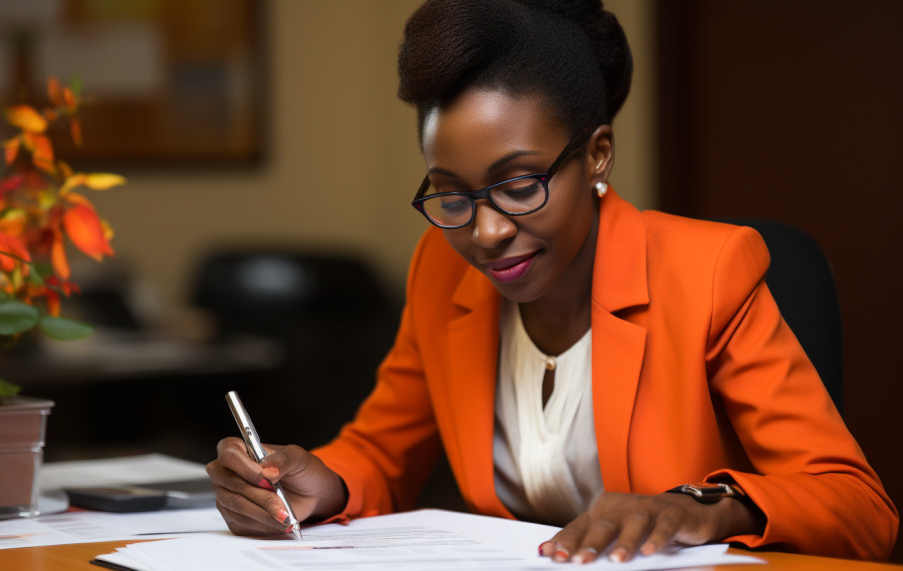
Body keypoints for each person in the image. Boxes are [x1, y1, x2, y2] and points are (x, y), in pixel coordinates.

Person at [207, 0, 898, 563]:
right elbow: (381, 451)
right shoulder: (440, 267)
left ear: (597, 154)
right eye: (451, 194)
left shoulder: (709, 271)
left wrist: (699, 506)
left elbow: (860, 508)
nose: (484, 232)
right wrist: (315, 484)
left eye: (517, 185)